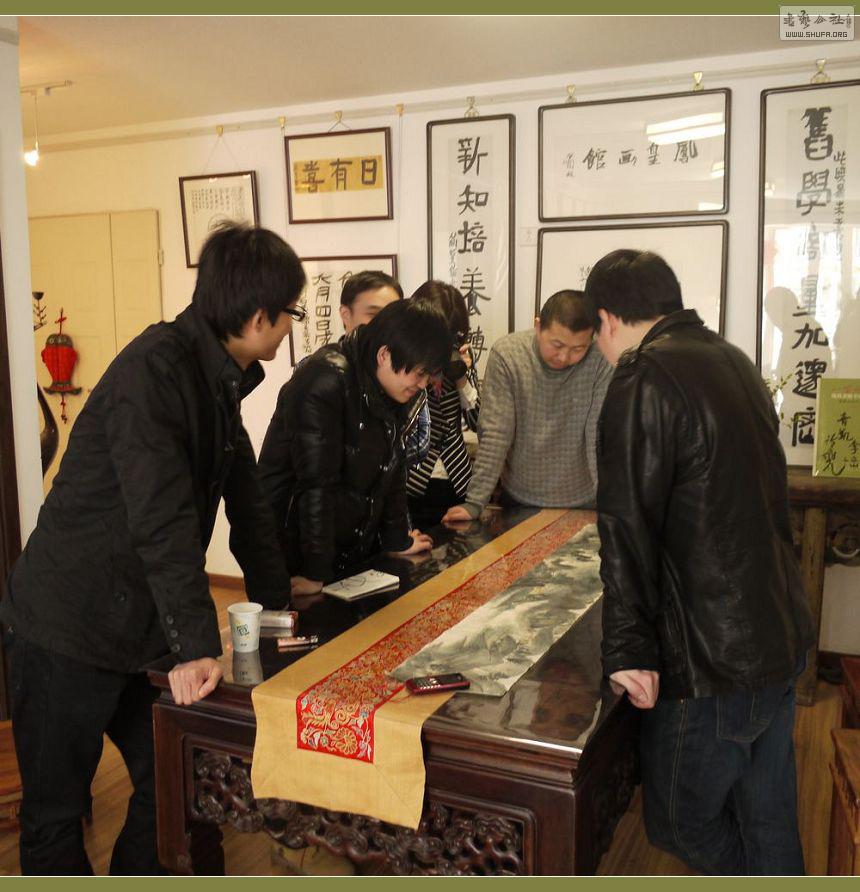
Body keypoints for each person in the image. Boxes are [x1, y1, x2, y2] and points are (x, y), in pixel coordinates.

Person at [0, 223, 305, 875]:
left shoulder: (219, 375)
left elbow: (247, 499)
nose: (289, 329)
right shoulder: (155, 370)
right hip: (65, 622)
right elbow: (162, 518)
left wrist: (277, 602)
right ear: (259, 318)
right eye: (289, 314)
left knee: (178, 780)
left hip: (139, 623)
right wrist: (195, 648)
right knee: (55, 814)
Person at [584, 249, 814, 876]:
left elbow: (626, 524)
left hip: (713, 656)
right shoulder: (732, 360)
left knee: (679, 822)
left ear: (607, 319)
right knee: (768, 815)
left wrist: (627, 649)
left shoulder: (643, 375)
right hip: (776, 631)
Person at [258, 299, 451, 596]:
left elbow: (393, 466)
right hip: (292, 551)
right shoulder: (324, 381)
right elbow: (316, 484)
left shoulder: (391, 385)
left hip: (346, 551)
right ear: (385, 355)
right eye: (419, 373)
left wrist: (397, 540)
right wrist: (314, 572)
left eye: (429, 376)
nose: (423, 384)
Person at [442, 289, 612, 523]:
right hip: (520, 500)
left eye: (577, 349)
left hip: (584, 500)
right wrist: (475, 502)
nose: (564, 357)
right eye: (557, 345)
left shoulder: (601, 358)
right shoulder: (509, 355)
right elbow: (496, 434)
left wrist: (609, 504)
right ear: (538, 326)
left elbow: (598, 436)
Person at [405, 281, 480, 527]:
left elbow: (479, 422)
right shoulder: (404, 363)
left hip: (457, 479)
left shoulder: (460, 359)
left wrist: (461, 377)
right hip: (413, 481)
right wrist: (424, 370)